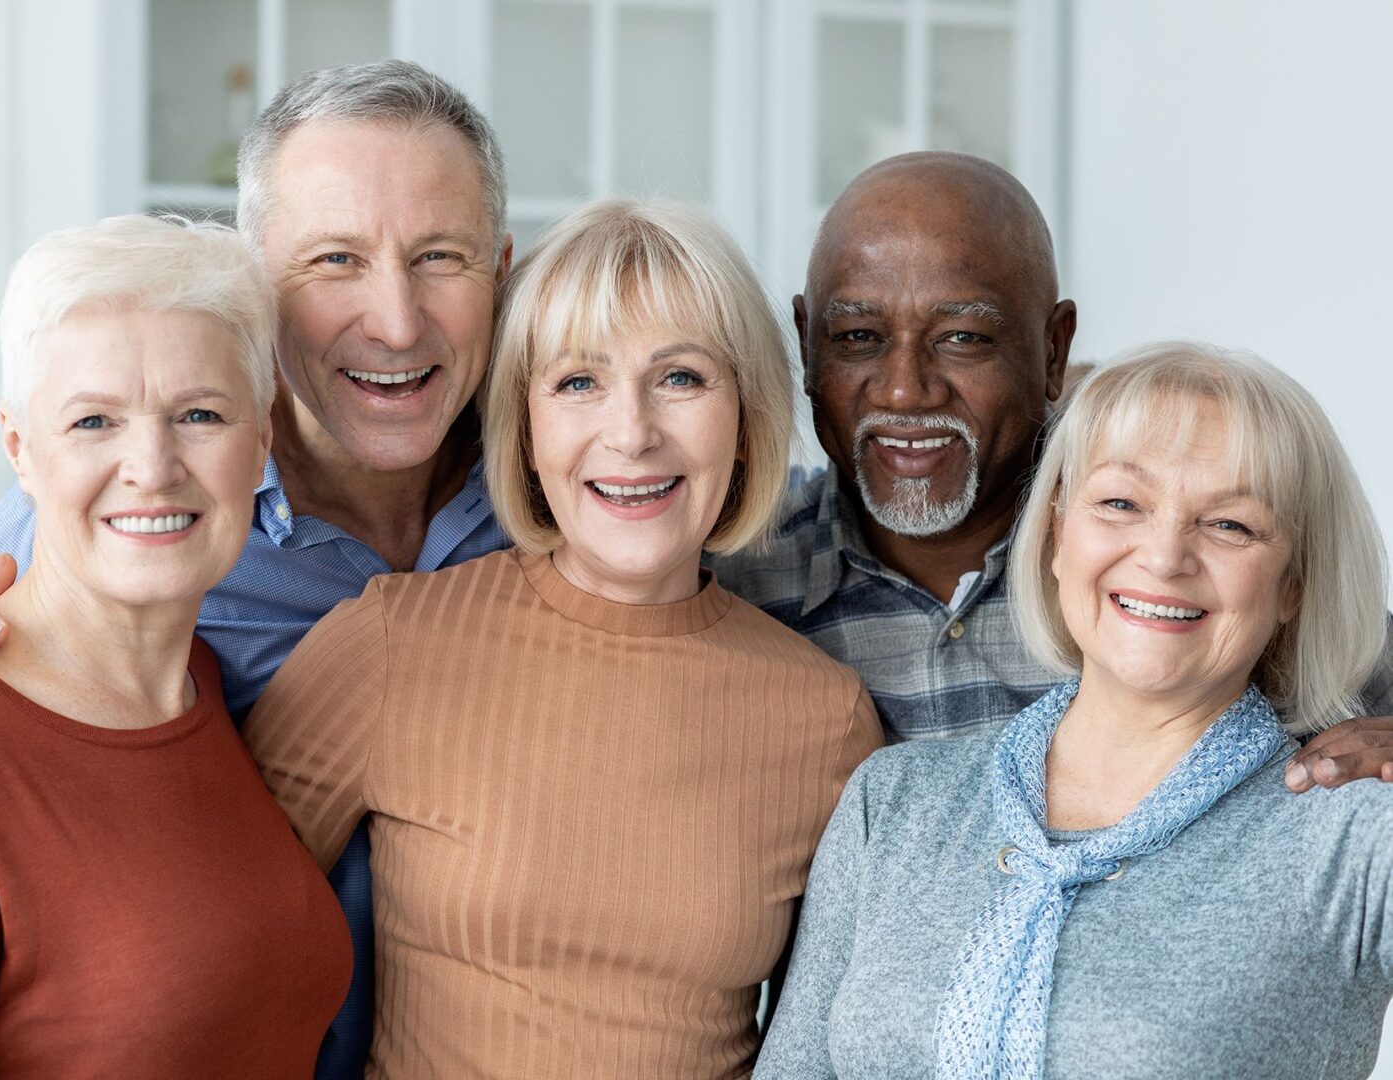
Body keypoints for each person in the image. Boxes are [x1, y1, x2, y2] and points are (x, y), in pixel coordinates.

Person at [0, 60, 513, 1078]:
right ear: (261, 286)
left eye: (440, 257)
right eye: (335, 260)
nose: (396, 321)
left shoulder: (567, 496)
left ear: (501, 268)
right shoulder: (137, 525)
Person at [244, 197, 885, 1077]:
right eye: (578, 382)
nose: (631, 433)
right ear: (527, 426)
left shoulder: (828, 716)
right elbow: (208, 943)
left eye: (682, 378)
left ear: (746, 420)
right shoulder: (394, 642)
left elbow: (844, 1043)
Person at [0, 216, 352, 1077]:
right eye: (94, 422)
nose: (152, 464)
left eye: (199, 413)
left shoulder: (210, 686)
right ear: (20, 448)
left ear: (263, 439)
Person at [756, 342, 1393, 1078]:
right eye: (1121, 503)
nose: (1162, 556)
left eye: (1230, 525)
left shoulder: (1350, 834)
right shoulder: (890, 805)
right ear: (1059, 532)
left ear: (1292, 585)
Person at [710, 150, 1393, 788]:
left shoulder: (1155, 561)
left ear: (1054, 348)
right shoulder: (734, 583)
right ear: (806, 346)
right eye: (859, 337)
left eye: (963, 339)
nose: (904, 390)